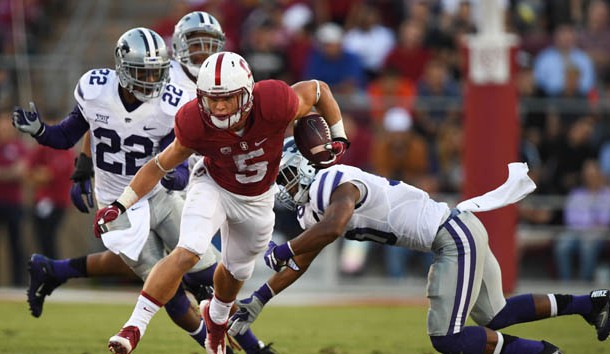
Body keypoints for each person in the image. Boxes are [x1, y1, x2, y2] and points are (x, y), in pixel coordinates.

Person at [227, 138, 610, 354]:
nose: (284, 186)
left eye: (287, 174)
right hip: (459, 231)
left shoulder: (332, 180)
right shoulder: (313, 210)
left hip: (452, 238)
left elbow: (335, 225)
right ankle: (591, 303)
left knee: (448, 338)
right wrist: (259, 298)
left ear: (307, 165)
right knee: (496, 317)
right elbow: (302, 260)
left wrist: (285, 248)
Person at [94, 51, 349, 354]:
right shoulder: (194, 120)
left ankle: (215, 324)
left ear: (247, 93)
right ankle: (133, 327)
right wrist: (120, 204)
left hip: (258, 198)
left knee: (236, 273)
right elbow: (160, 164)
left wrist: (339, 135)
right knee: (188, 251)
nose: (218, 106)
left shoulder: (275, 101)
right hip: (212, 185)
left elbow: (319, 89)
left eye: (227, 97)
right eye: (211, 98)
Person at [11, 27, 231, 353]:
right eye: (144, 72)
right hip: (118, 205)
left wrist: (178, 176)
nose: (152, 80)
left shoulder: (168, 103)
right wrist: (40, 131)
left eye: (157, 72)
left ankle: (237, 337)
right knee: (163, 288)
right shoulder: (96, 89)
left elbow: (177, 158)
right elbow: (66, 135)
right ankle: (214, 346)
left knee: (208, 271)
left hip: (158, 195)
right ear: (123, 67)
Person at [554, 159, 610, 282]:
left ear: (599, 175)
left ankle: (584, 283)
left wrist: (592, 225)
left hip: (598, 233)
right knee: (562, 244)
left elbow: (605, 219)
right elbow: (569, 217)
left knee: (587, 244)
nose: (591, 178)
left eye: (593, 175)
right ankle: (565, 283)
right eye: (588, 175)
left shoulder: (607, 194)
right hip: (576, 231)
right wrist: (587, 224)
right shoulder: (576, 194)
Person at [0, 111, 28, 286]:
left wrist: (7, 173)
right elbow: (15, 171)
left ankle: (18, 282)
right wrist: (11, 172)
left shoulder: (19, 147)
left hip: (14, 202)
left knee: (16, 243)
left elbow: (22, 170)